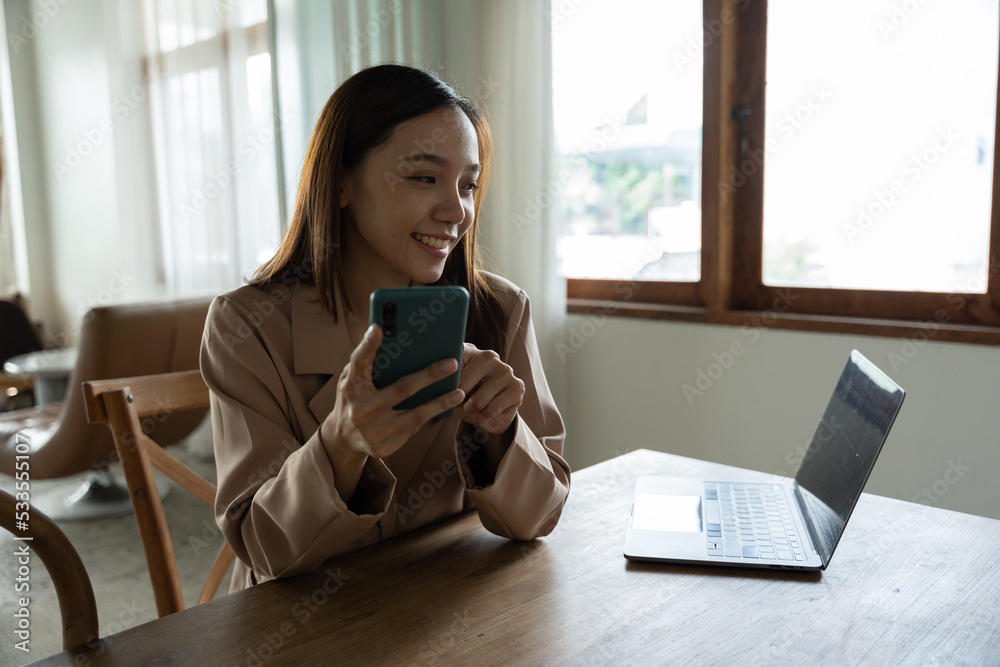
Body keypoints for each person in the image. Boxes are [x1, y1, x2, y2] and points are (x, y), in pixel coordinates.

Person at [200, 64, 571, 591]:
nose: (456, 211)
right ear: (343, 182)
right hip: (299, 629)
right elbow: (265, 547)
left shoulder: (500, 309)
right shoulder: (246, 324)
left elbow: (540, 519)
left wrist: (501, 435)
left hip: (445, 612)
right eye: (424, 178)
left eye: (468, 185)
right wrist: (341, 445)